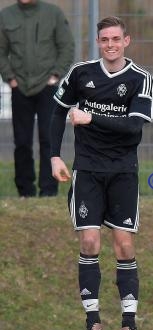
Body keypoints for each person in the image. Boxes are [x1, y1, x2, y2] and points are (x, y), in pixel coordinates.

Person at [50, 16, 153, 330]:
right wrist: (54, 156)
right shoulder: (81, 74)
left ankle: (129, 324)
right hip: (88, 171)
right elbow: (57, 111)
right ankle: (92, 320)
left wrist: (91, 117)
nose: (110, 44)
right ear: (98, 42)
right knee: (90, 241)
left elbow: (134, 129)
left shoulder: (140, 79)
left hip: (124, 171)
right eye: (104, 39)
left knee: (124, 247)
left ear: (127, 41)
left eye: (115, 39)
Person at [0, 0, 74, 197]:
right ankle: (25, 192)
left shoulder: (54, 13)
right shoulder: (6, 16)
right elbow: (0, 51)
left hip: (48, 87)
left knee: (48, 139)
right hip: (20, 87)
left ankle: (49, 191)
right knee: (22, 142)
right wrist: (10, 77)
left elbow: (66, 46)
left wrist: (56, 75)